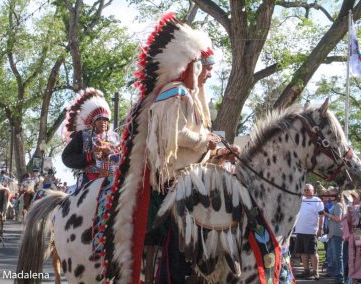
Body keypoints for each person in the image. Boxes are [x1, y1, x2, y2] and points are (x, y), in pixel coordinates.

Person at [99, 13, 239, 284]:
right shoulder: (175, 92)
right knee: (181, 232)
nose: (208, 74)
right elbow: (171, 135)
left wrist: (219, 152)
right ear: (193, 66)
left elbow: (194, 146)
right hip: (173, 181)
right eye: (206, 68)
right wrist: (205, 141)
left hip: (192, 176)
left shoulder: (190, 98)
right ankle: (173, 274)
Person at [62, 88, 120, 193]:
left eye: (106, 120)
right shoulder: (82, 136)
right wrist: (90, 157)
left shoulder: (115, 138)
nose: (103, 122)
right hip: (89, 180)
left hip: (113, 179)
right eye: (100, 119)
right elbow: (66, 157)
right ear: (93, 122)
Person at [294, 184, 325, 280]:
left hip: (311, 231)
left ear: (313, 190)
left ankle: (315, 272)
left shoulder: (317, 200)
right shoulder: (300, 199)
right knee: (303, 252)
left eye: (308, 190)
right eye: (305, 190)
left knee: (312, 252)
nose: (306, 191)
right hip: (299, 230)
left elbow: (321, 215)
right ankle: (306, 271)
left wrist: (320, 228)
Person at [325, 187, 345, 284]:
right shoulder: (334, 204)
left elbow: (338, 218)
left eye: (331, 194)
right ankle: (337, 275)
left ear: (336, 196)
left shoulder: (338, 205)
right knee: (334, 256)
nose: (329, 196)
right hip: (332, 234)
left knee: (338, 256)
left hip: (337, 234)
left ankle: (340, 277)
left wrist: (327, 214)